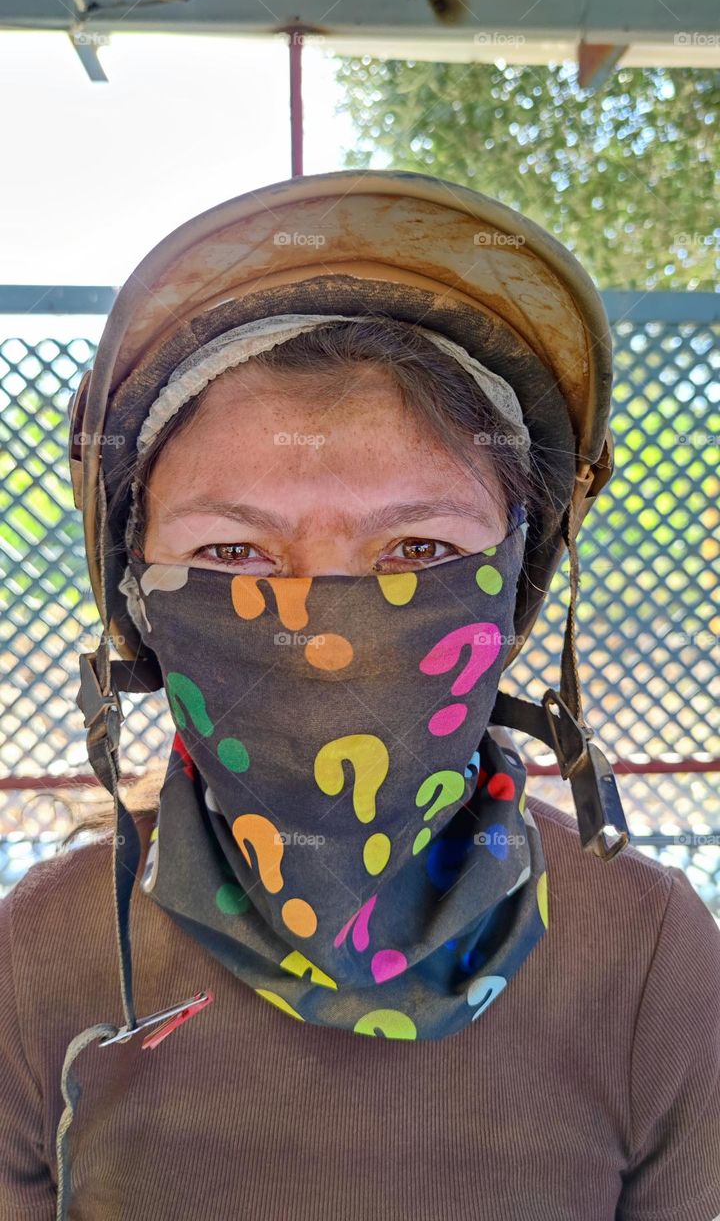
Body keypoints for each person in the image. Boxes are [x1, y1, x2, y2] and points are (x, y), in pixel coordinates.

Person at [1, 169, 718, 1221]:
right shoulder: (40, 960)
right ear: (139, 600)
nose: (324, 628)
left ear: (513, 588)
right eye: (234, 549)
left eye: (418, 548)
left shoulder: (647, 962)